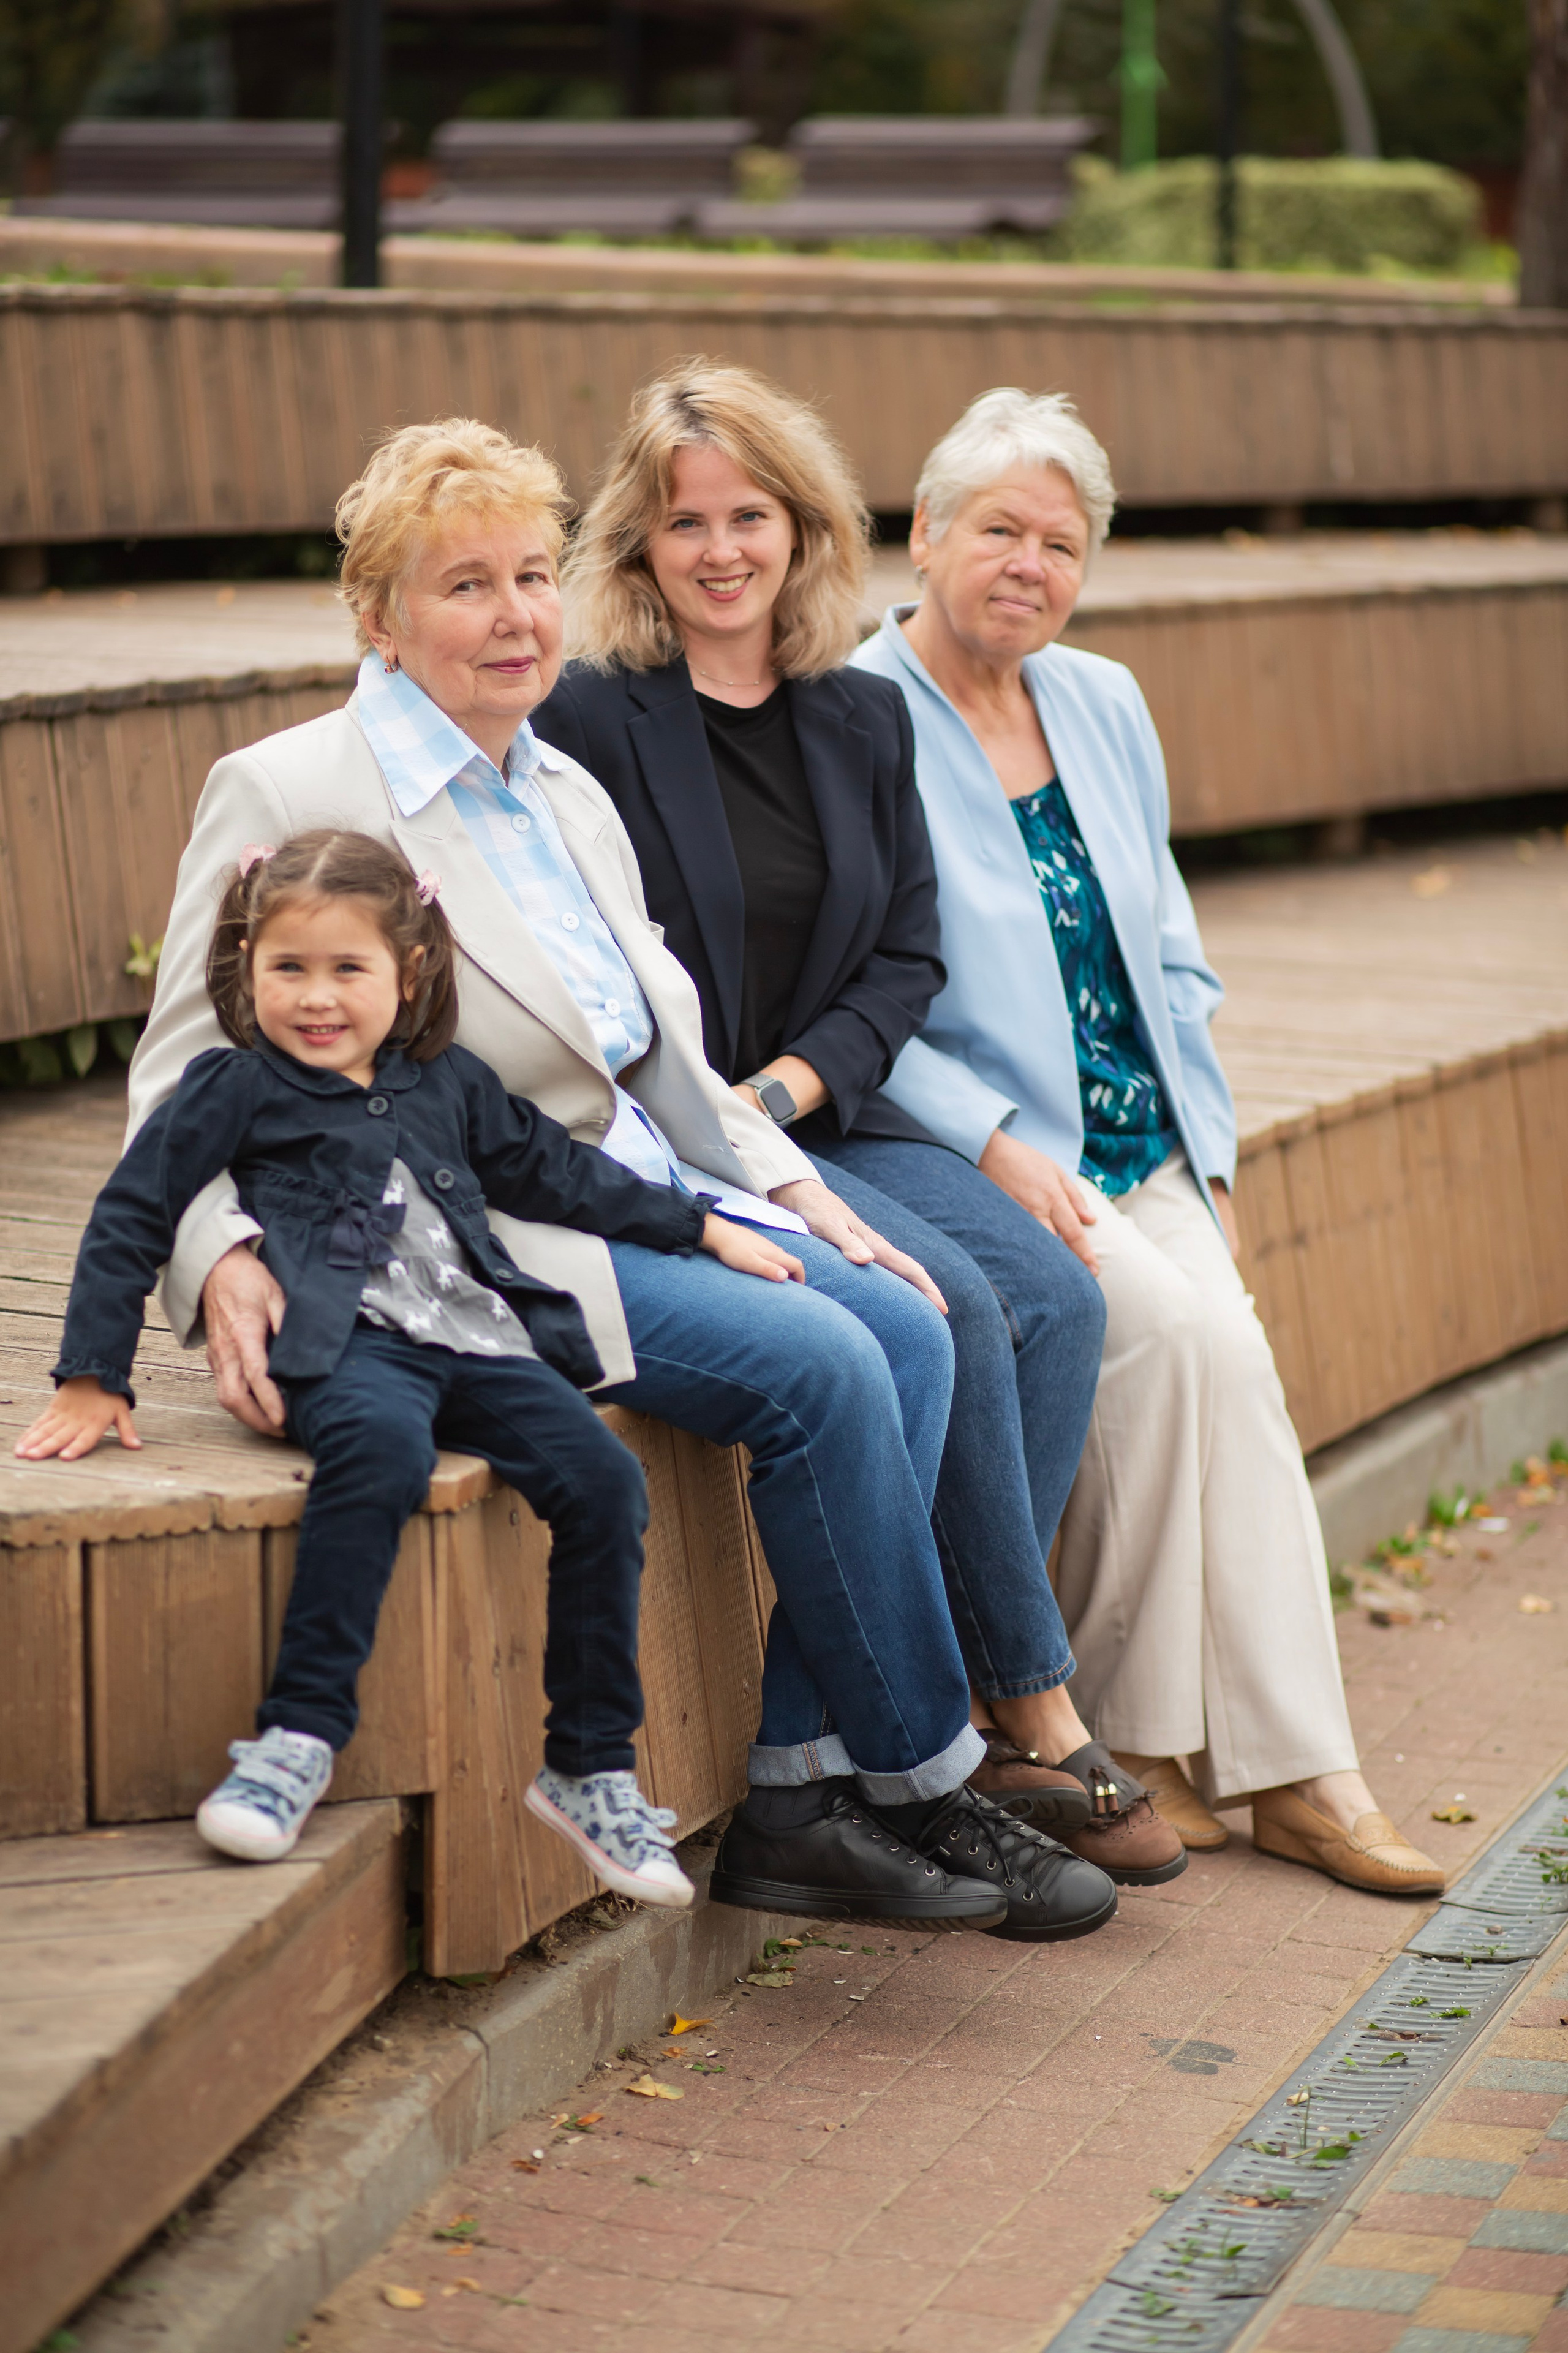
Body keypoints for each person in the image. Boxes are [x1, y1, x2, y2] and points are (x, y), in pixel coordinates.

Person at [118, 414, 1117, 1940]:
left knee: (915, 1315)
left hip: (643, 1187)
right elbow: (180, 1068)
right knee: (830, 1365)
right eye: (465, 585)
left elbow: (666, 1061)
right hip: (474, 1238)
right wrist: (223, 1258)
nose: (515, 615)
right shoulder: (292, 788)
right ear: (379, 617)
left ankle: (795, 1791)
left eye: (531, 575)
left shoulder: (559, 788)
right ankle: (923, 1782)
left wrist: (801, 1194)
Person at [537, 360, 1185, 1887]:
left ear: (800, 526)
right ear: (638, 543)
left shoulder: (855, 713)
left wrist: (797, 1087)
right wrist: (733, 1110)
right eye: (682, 522)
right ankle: (978, 1726)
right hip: (685, 1133)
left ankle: (963, 1706)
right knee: (943, 1305)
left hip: (825, 1108)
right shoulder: (593, 718)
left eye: (747, 514)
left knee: (1053, 1294)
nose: (718, 551)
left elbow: (903, 956)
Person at [851, 385, 1444, 1897]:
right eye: (997, 529)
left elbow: (1169, 958)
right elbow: (846, 994)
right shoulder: (854, 715)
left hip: (1146, 1138)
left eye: (1061, 543)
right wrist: (984, 1142)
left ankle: (1181, 1755)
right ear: (922, 533)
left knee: (1214, 1353)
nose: (1028, 565)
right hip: (999, 1147)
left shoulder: (1101, 701)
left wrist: (1216, 1157)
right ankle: (1298, 1777)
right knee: (1185, 1341)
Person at [19, 826, 820, 1902]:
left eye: (348, 968)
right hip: (348, 1350)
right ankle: (296, 1740)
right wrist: (92, 1371)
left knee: (603, 1478)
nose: (315, 997)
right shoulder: (235, 1087)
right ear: (245, 967)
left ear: (411, 970)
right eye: (287, 967)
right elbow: (133, 1213)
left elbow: (556, 1173)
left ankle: (587, 1765)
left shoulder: (448, 1082)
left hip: (482, 1342)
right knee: (383, 1456)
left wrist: (699, 1225)